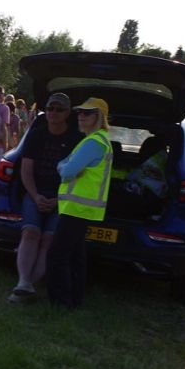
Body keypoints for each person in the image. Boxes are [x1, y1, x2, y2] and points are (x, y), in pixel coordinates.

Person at [7, 93, 82, 304]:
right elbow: (26, 171)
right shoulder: (36, 135)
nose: (53, 113)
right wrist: (35, 196)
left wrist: (58, 199)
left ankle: (28, 286)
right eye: (50, 108)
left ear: (67, 113)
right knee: (30, 233)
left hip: (63, 197)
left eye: (59, 109)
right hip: (36, 192)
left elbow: (80, 176)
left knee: (49, 239)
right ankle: (23, 281)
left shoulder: (77, 140)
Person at [45, 97, 113, 309]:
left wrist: (65, 168)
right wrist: (65, 167)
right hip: (81, 208)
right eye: (80, 112)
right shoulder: (96, 140)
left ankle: (61, 303)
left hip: (77, 208)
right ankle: (74, 300)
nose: (81, 116)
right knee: (76, 256)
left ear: (99, 117)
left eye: (87, 113)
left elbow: (67, 171)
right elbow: (65, 166)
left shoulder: (93, 142)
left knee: (57, 255)